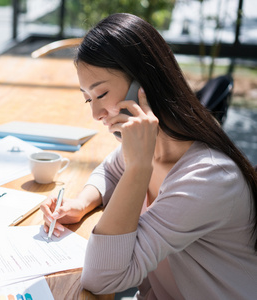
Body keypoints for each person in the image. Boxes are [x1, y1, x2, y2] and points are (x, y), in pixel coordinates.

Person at [40, 13, 257, 299]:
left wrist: (138, 169)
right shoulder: (155, 146)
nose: (95, 113)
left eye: (101, 93)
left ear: (144, 86)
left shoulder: (208, 178)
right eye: (88, 98)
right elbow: (110, 170)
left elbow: (102, 279)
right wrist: (82, 202)